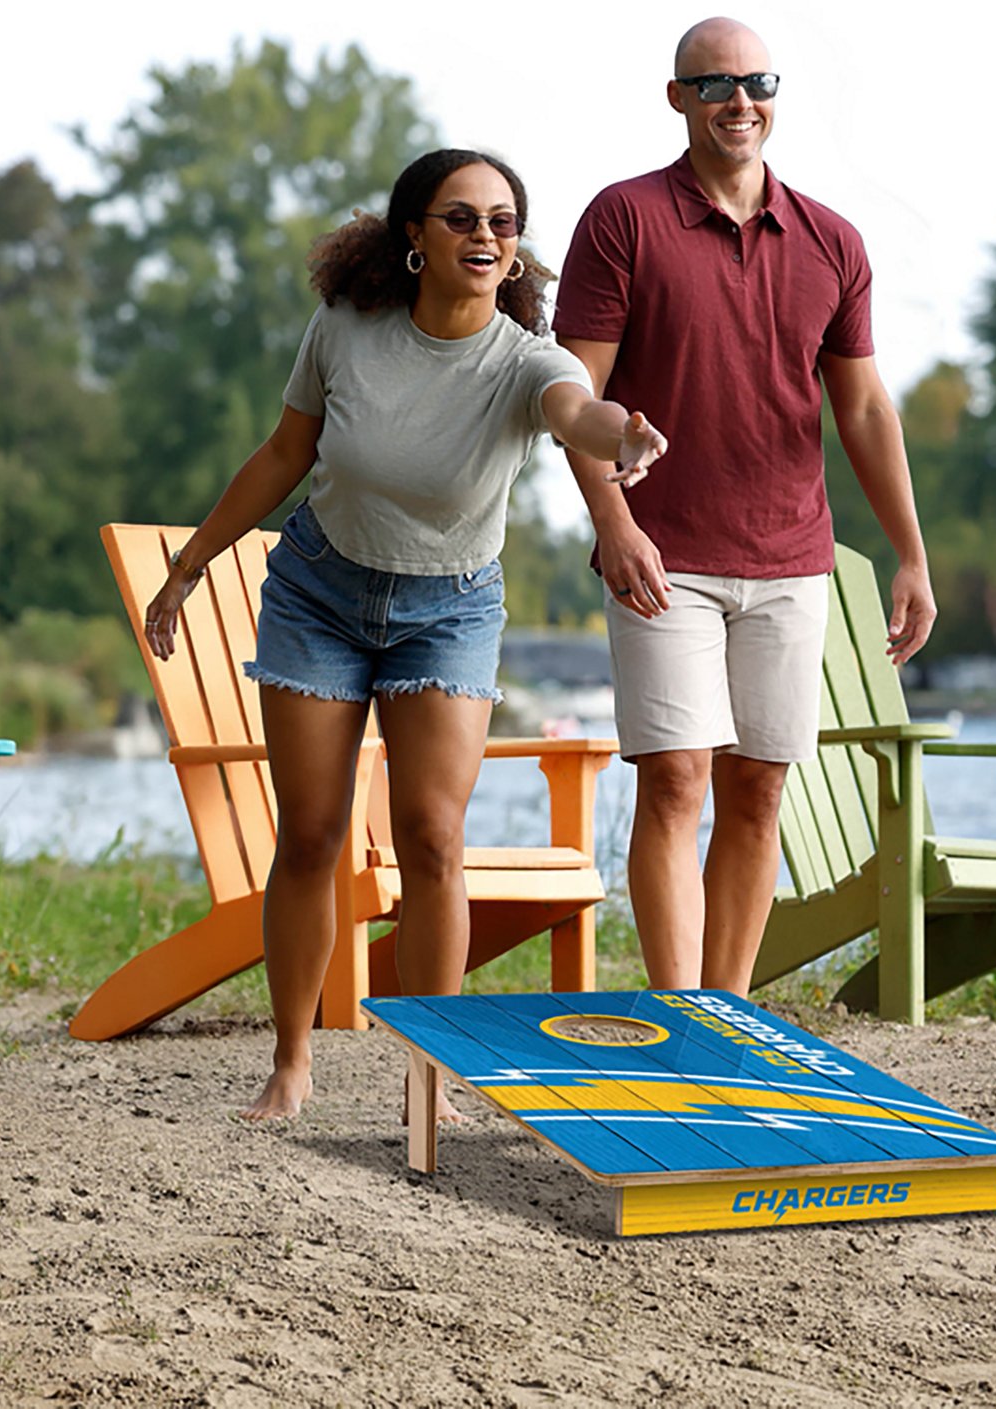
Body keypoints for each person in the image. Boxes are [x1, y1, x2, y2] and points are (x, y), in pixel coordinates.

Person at [142, 148, 668, 1121]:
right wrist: (194, 561)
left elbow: (575, 414)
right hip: (319, 596)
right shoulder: (347, 329)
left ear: (515, 252)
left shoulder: (526, 359)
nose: (484, 235)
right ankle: (292, 1061)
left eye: (502, 223)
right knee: (311, 833)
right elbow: (285, 453)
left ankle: (431, 1076)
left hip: (450, 610)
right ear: (415, 238)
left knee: (433, 837)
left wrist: (621, 438)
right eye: (461, 217)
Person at [553, 18, 936, 997]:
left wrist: (909, 554)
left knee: (758, 787)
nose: (739, 100)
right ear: (677, 97)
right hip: (663, 553)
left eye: (756, 81)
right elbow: (571, 398)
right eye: (715, 84)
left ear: (774, 94)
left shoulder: (832, 242)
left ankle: (726, 1011)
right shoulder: (622, 219)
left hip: (791, 556)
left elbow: (862, 406)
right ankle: (680, 1012)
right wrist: (615, 524)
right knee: (676, 777)